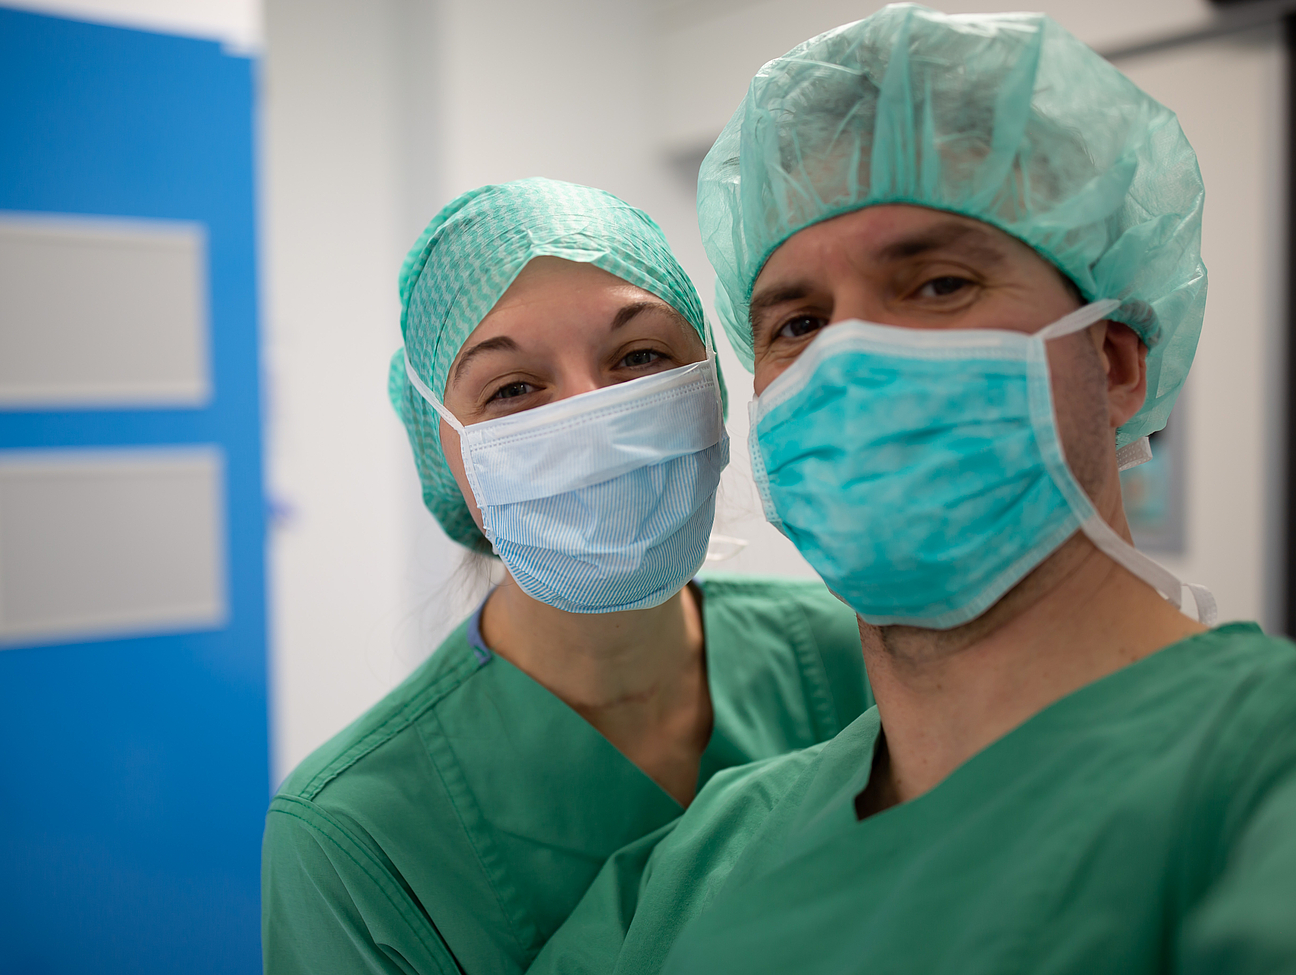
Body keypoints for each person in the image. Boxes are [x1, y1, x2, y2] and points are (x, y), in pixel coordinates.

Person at [527, 7, 1296, 974]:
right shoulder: (705, 865)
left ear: (1113, 362)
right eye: (799, 322)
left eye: (937, 285)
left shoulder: (1259, 777)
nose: (849, 355)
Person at [260, 178, 873, 975]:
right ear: (444, 456)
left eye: (641, 355)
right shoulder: (351, 834)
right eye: (513, 389)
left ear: (714, 387)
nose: (593, 417)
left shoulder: (861, 654)